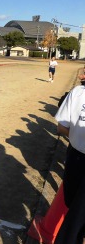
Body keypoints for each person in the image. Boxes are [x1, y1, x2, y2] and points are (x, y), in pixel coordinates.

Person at [54, 80, 85, 242]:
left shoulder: (78, 92)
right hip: (76, 157)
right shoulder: (78, 93)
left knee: (76, 218)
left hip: (77, 156)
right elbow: (61, 126)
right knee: (72, 204)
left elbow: (62, 127)